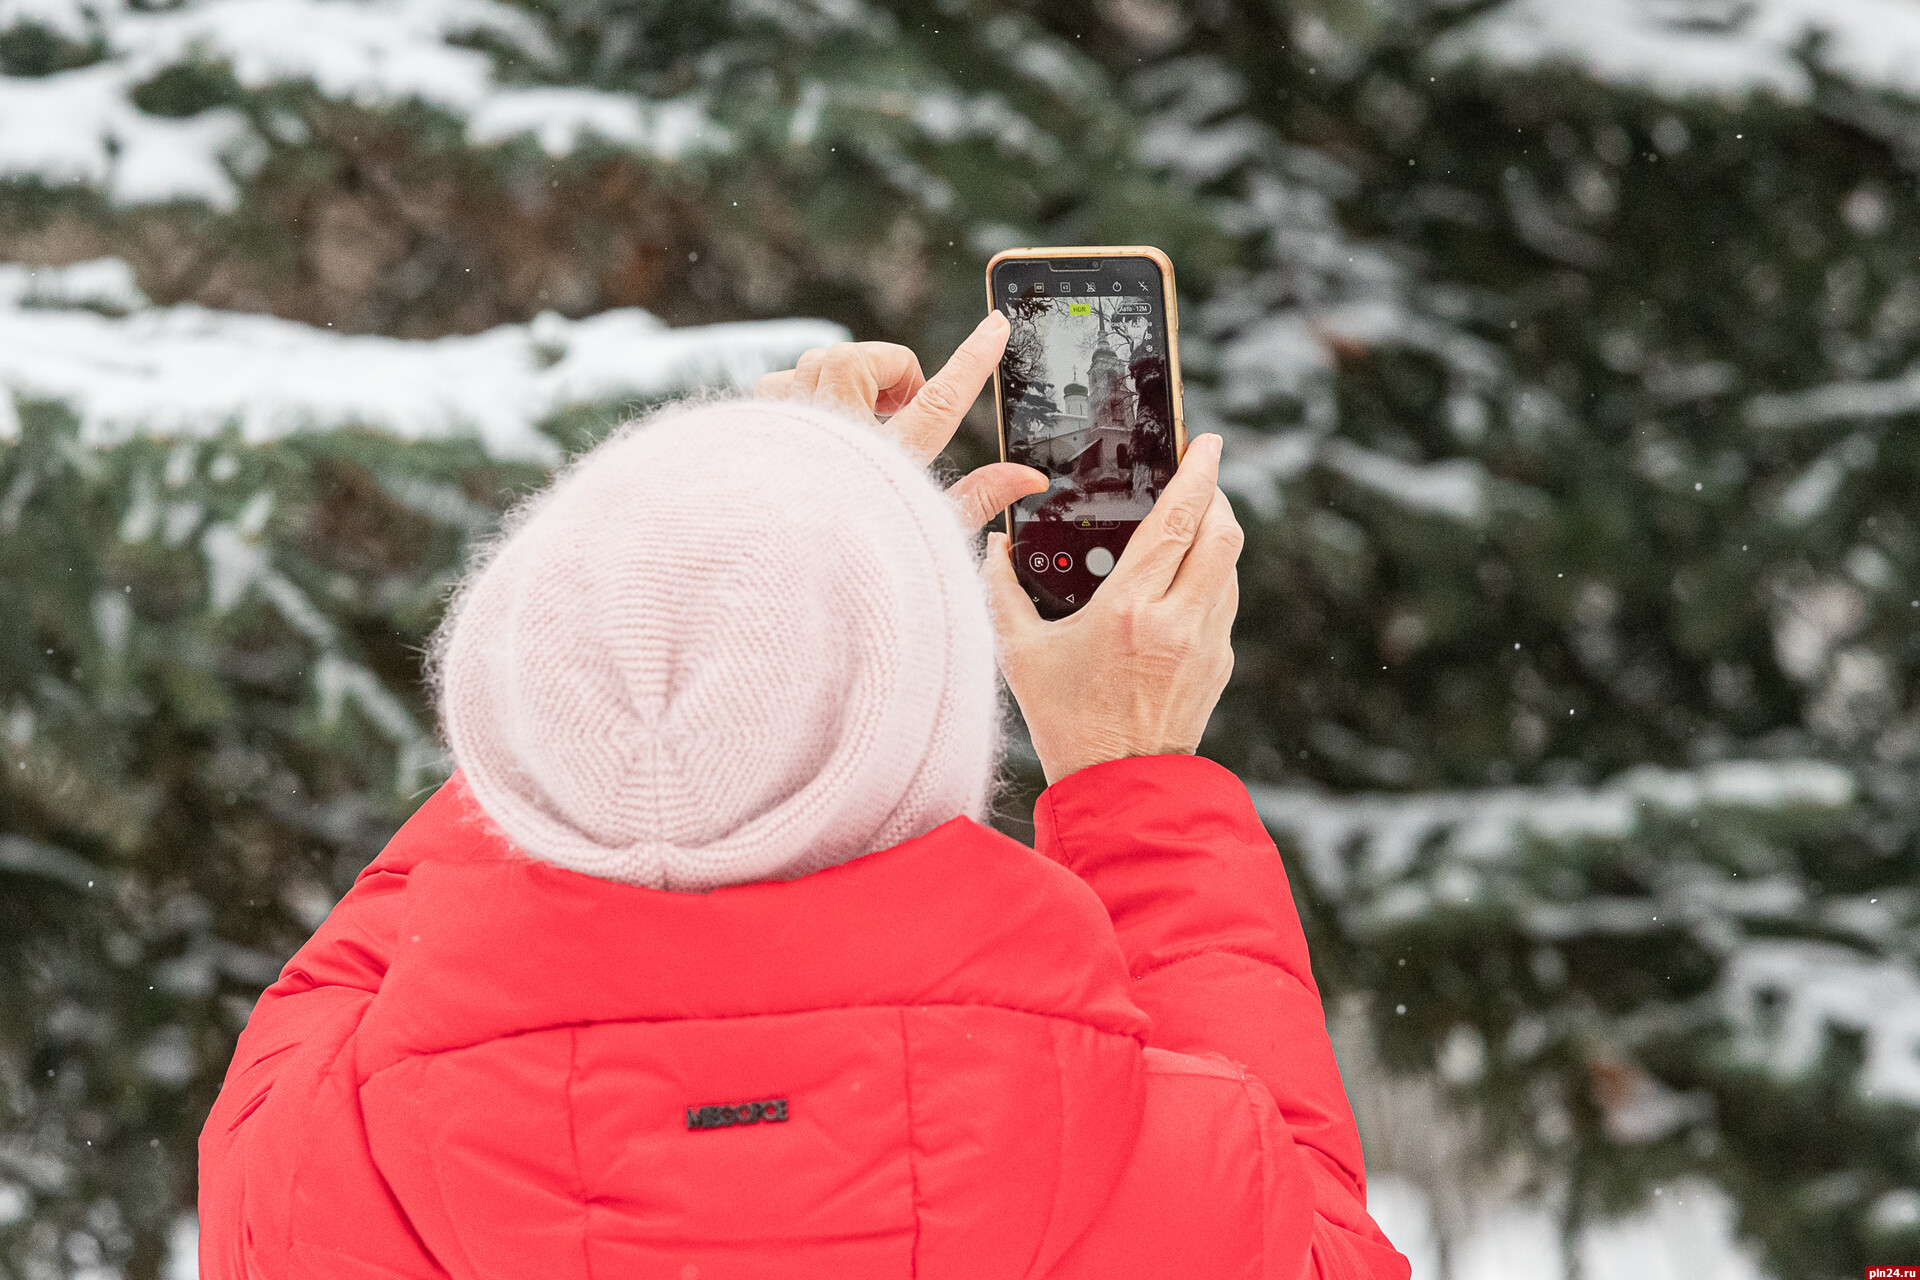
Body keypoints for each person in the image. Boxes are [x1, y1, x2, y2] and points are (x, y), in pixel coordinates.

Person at [196, 310, 1411, 1279]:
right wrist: (1127, 773)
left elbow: (425, 903)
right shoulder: (1189, 1183)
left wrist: (665, 611)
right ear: (940, 732)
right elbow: (1316, 1228)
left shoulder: (301, 1175)